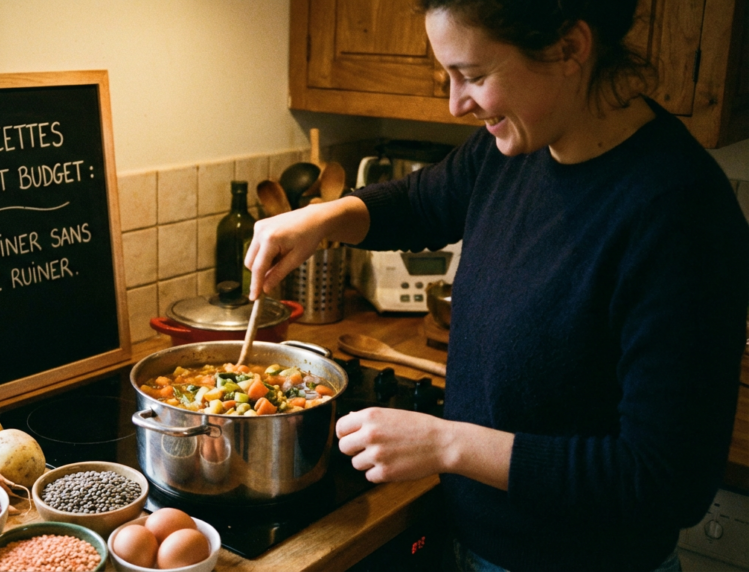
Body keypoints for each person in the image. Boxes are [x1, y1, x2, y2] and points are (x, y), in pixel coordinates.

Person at [243, 1, 749, 570]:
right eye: (448, 75)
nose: (456, 103)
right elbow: (421, 202)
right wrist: (322, 218)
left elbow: (665, 481)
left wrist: (448, 444)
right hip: (469, 539)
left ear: (569, 48)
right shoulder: (517, 146)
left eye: (474, 75)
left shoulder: (680, 213)